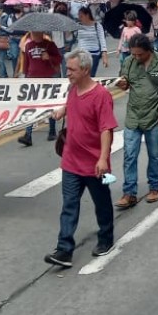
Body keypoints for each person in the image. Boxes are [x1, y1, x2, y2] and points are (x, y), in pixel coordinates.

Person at [44, 49, 117, 268]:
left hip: (94, 164)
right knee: (69, 204)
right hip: (71, 161)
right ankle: (64, 249)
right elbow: (74, 105)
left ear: (85, 70)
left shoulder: (101, 96)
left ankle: (106, 239)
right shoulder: (72, 89)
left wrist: (103, 159)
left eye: (72, 70)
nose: (68, 73)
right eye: (68, 69)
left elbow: (107, 129)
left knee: (101, 203)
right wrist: (62, 111)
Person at [115, 34, 158, 209]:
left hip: (154, 116)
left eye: (139, 54)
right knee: (129, 155)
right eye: (133, 54)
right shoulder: (129, 62)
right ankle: (129, 193)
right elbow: (125, 84)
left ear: (149, 50)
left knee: (155, 155)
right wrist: (122, 84)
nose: (136, 57)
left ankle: (154, 188)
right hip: (133, 116)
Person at [17, 31, 62, 146]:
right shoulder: (28, 46)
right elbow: (26, 63)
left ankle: (52, 131)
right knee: (31, 107)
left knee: (50, 105)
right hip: (33, 80)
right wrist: (25, 76)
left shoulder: (49, 45)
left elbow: (59, 59)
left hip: (47, 79)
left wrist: (49, 57)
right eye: (33, 32)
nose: (34, 34)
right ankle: (28, 134)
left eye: (36, 32)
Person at [76, 6, 108, 77]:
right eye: (79, 16)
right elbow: (76, 40)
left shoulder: (97, 25)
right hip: (82, 55)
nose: (79, 18)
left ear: (87, 15)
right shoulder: (78, 26)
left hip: (94, 55)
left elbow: (102, 39)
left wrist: (104, 54)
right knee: (82, 76)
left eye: (81, 16)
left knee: (91, 76)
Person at [50, 2, 76, 77]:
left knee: (67, 71)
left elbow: (74, 33)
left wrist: (70, 44)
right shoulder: (51, 19)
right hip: (54, 48)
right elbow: (48, 33)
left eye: (63, 8)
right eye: (59, 8)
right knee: (55, 73)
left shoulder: (70, 18)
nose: (61, 9)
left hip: (66, 47)